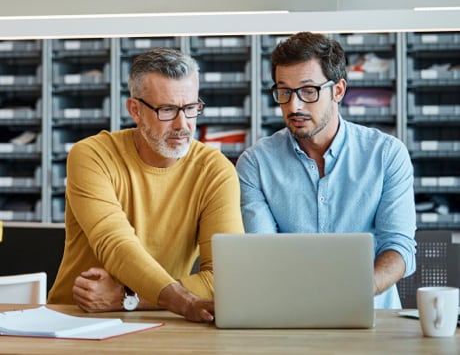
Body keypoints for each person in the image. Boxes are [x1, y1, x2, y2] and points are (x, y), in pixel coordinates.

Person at [47, 47, 244, 322]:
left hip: (164, 322)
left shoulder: (215, 169)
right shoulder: (92, 155)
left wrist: (129, 299)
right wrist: (184, 301)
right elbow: (116, 245)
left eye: (190, 108)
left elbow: (225, 277)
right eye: (167, 110)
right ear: (135, 110)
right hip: (75, 320)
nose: (182, 124)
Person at [235, 32, 416, 309]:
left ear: (339, 90)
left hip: (372, 316)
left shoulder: (386, 154)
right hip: (289, 316)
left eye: (309, 91)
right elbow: (263, 254)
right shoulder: (256, 163)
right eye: (284, 92)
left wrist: (352, 293)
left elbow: (399, 247)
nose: (294, 106)